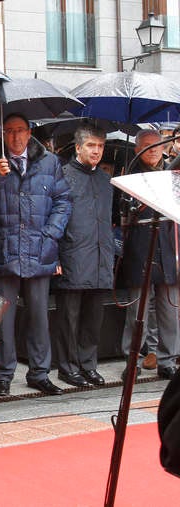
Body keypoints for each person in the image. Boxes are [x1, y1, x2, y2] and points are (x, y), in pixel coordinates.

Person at [0, 113, 71, 396]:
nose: (15, 137)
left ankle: (39, 372)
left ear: (30, 132)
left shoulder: (50, 162)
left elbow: (63, 201)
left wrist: (50, 233)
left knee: (39, 317)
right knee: (3, 318)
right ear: (2, 134)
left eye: (21, 130)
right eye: (9, 131)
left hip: (39, 250)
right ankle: (3, 374)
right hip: (5, 250)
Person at [53, 125, 113, 389]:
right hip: (73, 256)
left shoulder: (105, 179)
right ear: (78, 147)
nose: (96, 151)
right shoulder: (63, 176)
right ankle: (68, 368)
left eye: (100, 146)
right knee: (69, 318)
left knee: (93, 318)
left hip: (101, 256)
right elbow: (53, 220)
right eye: (91, 145)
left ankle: (88, 366)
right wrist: (54, 257)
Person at [119, 129, 180, 381]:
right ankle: (131, 360)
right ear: (137, 149)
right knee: (137, 312)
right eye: (147, 146)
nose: (153, 150)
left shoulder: (173, 174)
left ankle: (168, 359)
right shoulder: (128, 176)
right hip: (140, 248)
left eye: (157, 146)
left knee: (170, 311)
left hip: (168, 246)